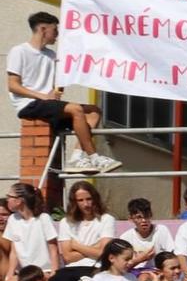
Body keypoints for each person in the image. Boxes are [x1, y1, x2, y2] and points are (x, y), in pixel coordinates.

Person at [6, 11, 120, 174]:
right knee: (76, 109)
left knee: (93, 111)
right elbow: (13, 85)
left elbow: (57, 85)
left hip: (48, 104)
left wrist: (60, 86)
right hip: (29, 104)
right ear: (43, 29)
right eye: (55, 30)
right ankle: (94, 156)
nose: (57, 35)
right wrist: (43, 96)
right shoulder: (19, 51)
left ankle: (77, 157)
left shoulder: (52, 55)